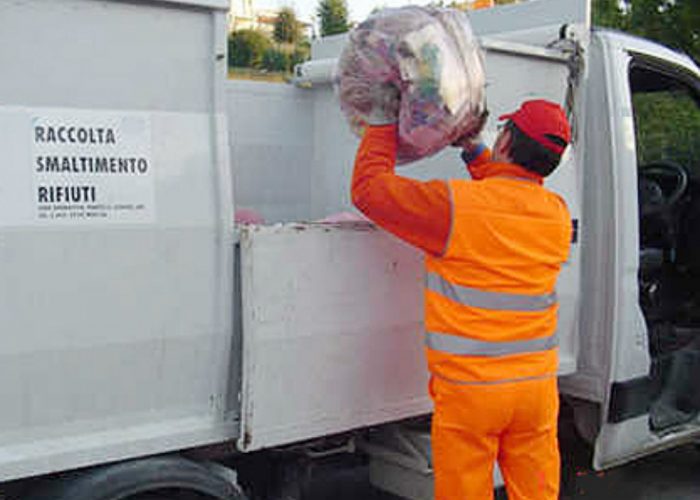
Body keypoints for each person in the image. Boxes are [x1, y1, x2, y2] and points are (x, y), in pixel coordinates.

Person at [351, 99, 572, 500]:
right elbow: (507, 192)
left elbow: (369, 189)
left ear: (504, 139)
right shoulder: (556, 213)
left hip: (472, 394)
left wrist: (383, 120)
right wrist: (473, 150)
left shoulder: (453, 208)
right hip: (535, 391)